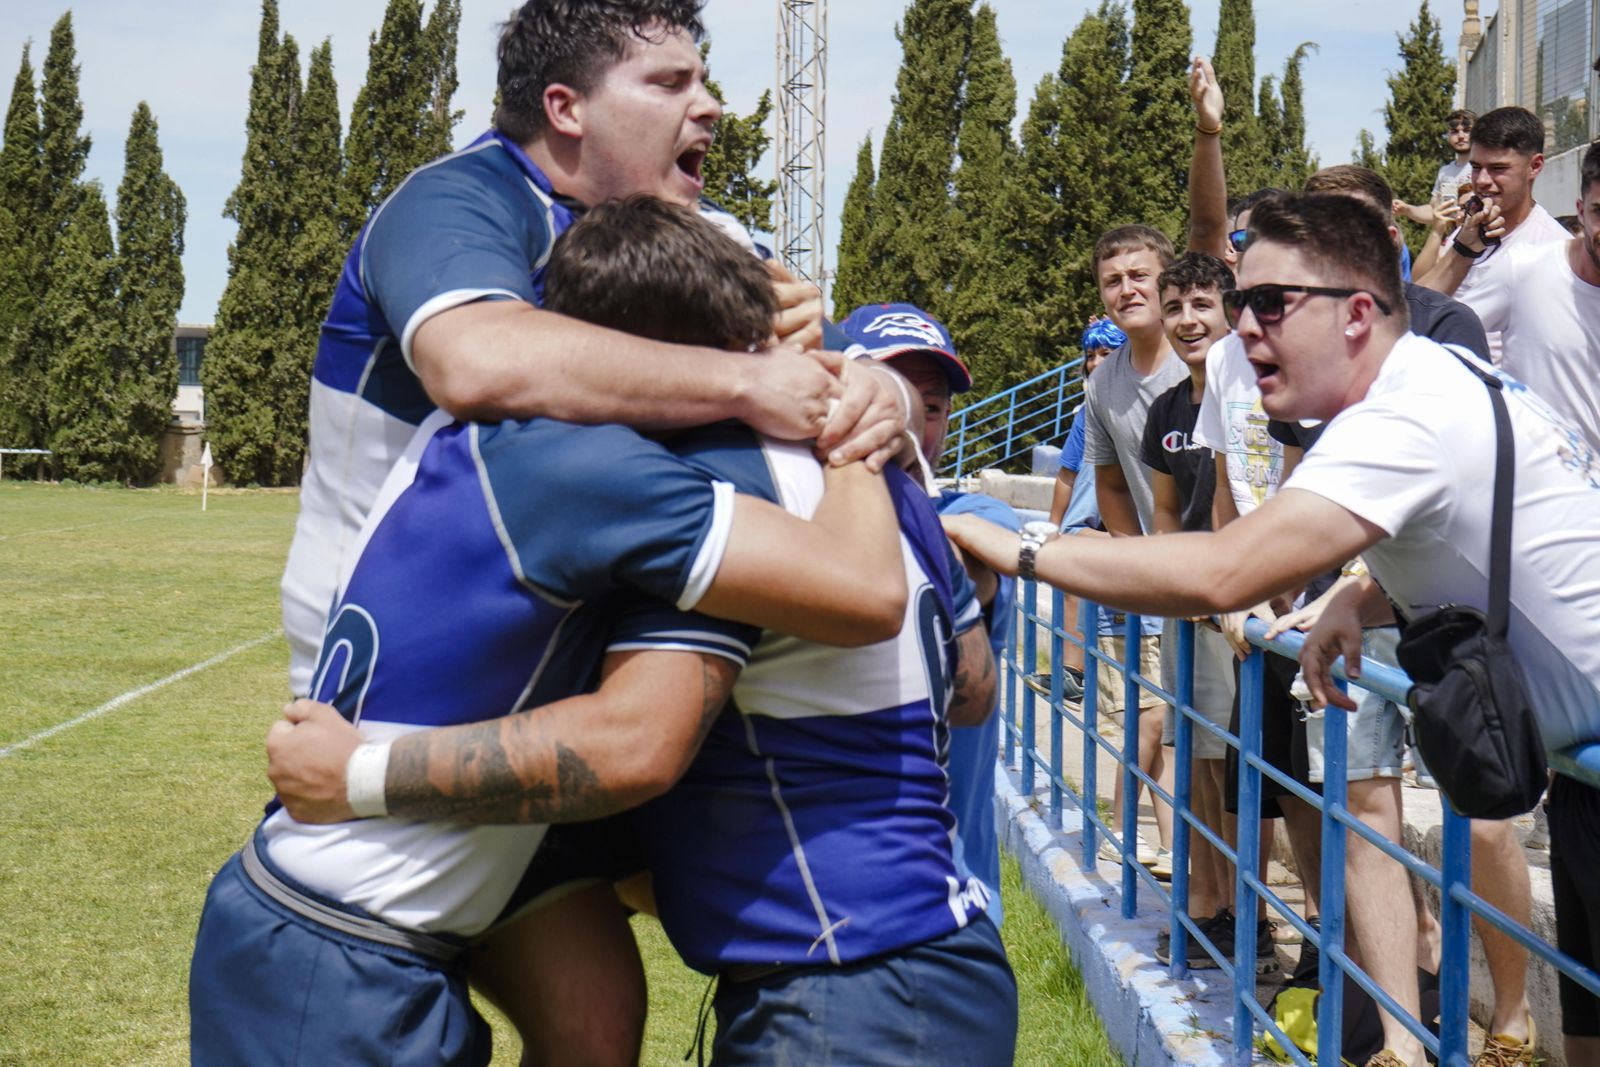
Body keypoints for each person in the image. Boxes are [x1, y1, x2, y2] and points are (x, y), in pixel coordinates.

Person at [255, 199, 1018, 1067]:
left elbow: (631, 743)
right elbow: (972, 683)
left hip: (849, 988)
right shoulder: (890, 471)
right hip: (939, 960)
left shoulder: (725, 485)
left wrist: (356, 774)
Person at [943, 191, 1600, 1067]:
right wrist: (1357, 602)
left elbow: (1222, 570)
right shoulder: (1431, 384)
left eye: (1269, 303)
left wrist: (1020, 547)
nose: (1241, 329)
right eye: (1241, 298)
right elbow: (1470, 531)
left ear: (1359, 313)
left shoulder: (1400, 420)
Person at [281, 0, 910, 701]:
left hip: (575, 663)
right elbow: (477, 358)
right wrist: (746, 380)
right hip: (402, 683)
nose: (712, 107)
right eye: (670, 84)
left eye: (702, 81)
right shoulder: (454, 201)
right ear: (566, 108)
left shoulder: (691, 230)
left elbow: (871, 373)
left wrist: (872, 389)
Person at [838, 302, 1022, 927]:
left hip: (954, 899)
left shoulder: (982, 521)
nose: (911, 423)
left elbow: (960, 569)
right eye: (890, 396)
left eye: (932, 406)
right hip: (818, 896)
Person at [1141, 252, 1254, 969]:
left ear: (1228, 309)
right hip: (1190, 602)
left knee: (1241, 766)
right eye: (1175, 306)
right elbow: (1160, 510)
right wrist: (1173, 579)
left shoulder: (1250, 384)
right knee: (1200, 764)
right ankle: (1210, 904)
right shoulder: (1167, 408)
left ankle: (1248, 915)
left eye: (1201, 305)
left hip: (1236, 600)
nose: (1187, 320)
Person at [1080, 224, 1188, 875]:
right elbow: (1110, 483)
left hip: (1242, 582)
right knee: (1184, 746)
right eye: (1112, 281)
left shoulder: (1204, 352)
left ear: (1165, 280)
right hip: (1173, 593)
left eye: (1139, 275)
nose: (1127, 290)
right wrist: (1142, 560)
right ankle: (1208, 894)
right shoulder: (1104, 385)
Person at [1435, 140, 1600, 449]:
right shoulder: (1527, 268)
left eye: (1497, 167)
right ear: (1580, 211)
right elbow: (1430, 322)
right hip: (1536, 487)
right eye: (1599, 211)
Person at [1412, 106, 1571, 365]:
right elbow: (1417, 307)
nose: (1482, 180)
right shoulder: (1469, 230)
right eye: (1476, 167)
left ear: (1535, 166)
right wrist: (1462, 249)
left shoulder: (1552, 250)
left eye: (1498, 168)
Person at [1049, 319, 1124, 697]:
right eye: (1089, 356)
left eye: (1105, 354)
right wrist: (1052, 526)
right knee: (1068, 556)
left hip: (1121, 525)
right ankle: (1070, 669)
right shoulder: (1085, 414)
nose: (1095, 363)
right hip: (1091, 519)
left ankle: (1074, 669)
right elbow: (1066, 474)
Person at [1394, 109, 1475, 229]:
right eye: (1454, 131)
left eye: (1467, 131)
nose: (1461, 136)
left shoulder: (1485, 167)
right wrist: (1407, 209)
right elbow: (1434, 212)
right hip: (1455, 240)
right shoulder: (1445, 172)